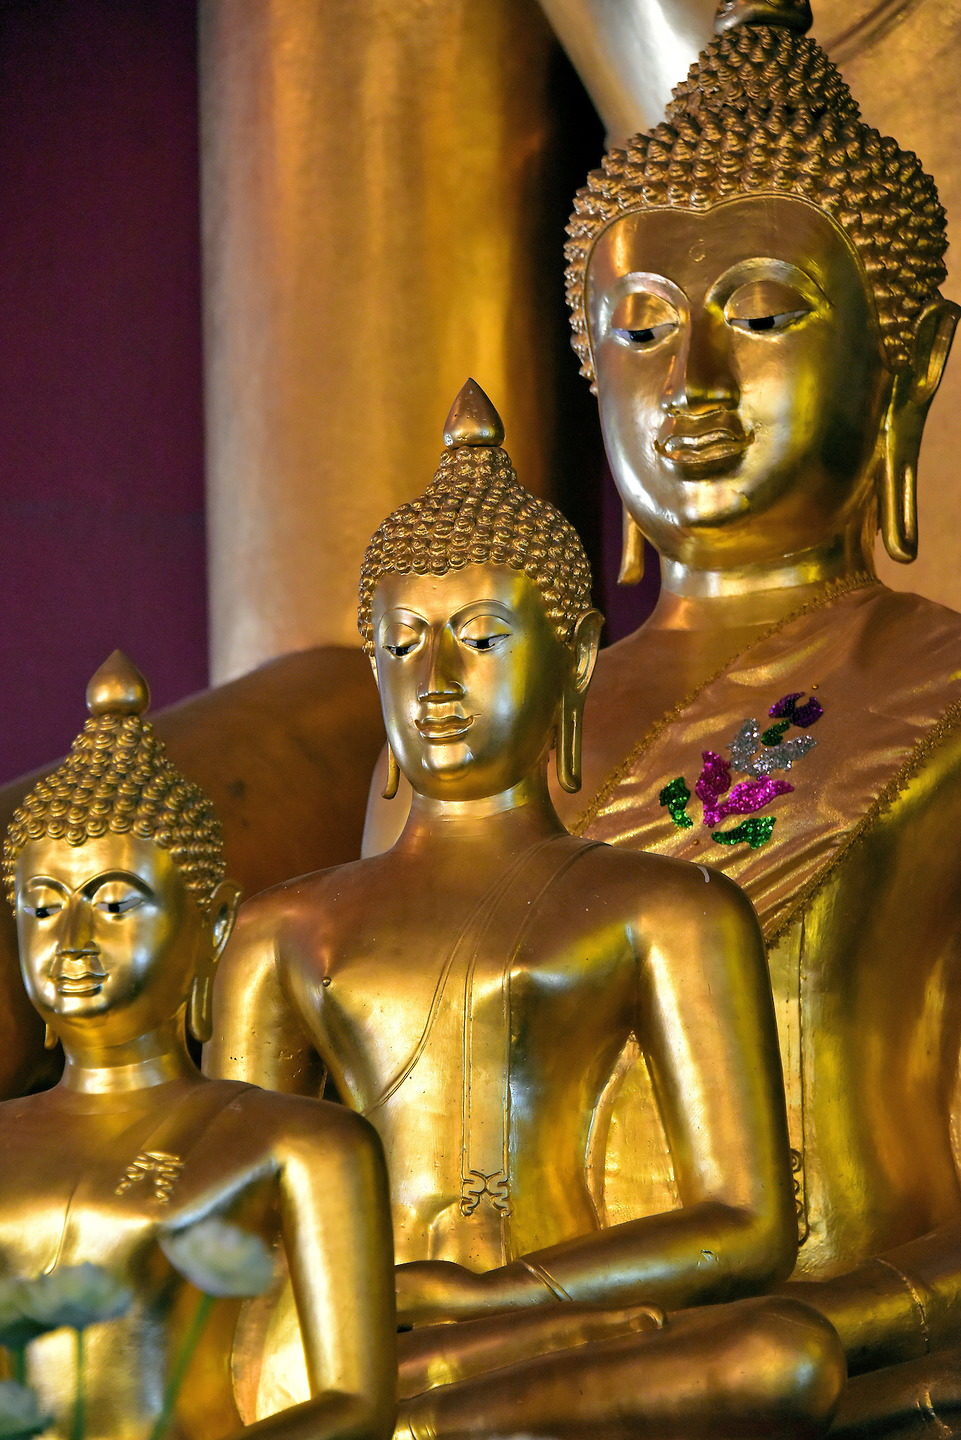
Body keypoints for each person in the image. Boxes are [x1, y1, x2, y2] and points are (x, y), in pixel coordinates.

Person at [360, 6, 961, 1428]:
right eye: (639, 328)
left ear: (909, 369)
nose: (688, 384)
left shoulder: (939, 691)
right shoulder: (461, 702)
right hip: (450, 1369)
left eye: (760, 314)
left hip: (822, 1368)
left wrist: (832, 1319)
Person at [207, 382, 845, 1439]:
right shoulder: (283, 929)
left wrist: (502, 1297)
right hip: (344, 1344)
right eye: (404, 644)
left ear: (576, 660)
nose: (438, 681)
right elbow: (222, 1226)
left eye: (480, 638)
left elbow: (743, 1224)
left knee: (781, 1354)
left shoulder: (666, 908)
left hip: (547, 1324)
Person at [0, 651, 395, 1440]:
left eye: (114, 903)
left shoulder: (300, 1142)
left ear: (212, 929)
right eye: (43, 908)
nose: (73, 941)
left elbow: (355, 1403)